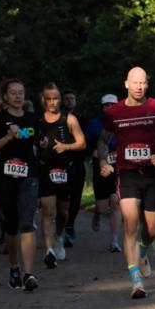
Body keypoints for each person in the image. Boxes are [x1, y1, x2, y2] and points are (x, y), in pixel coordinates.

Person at [98, 68, 155, 297]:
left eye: (143, 83)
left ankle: (143, 250)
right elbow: (102, 141)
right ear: (126, 84)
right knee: (131, 223)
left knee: (152, 229)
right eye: (135, 83)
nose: (140, 87)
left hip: (152, 174)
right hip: (127, 174)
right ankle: (136, 281)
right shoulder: (114, 112)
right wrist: (103, 159)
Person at [0, 78, 41, 291]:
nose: (18, 96)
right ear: (6, 97)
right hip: (6, 178)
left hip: (29, 176)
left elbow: (39, 142)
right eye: (14, 93)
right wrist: (8, 137)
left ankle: (29, 274)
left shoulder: (32, 118)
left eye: (21, 92)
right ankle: (14, 267)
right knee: (11, 226)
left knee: (27, 223)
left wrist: (42, 143)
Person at [37, 82, 86, 267]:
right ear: (43, 100)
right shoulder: (37, 120)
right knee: (48, 209)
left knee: (63, 212)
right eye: (48, 98)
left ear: (59, 99)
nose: (52, 102)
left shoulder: (70, 119)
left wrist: (66, 146)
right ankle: (49, 250)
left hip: (66, 170)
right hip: (45, 169)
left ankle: (58, 236)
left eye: (55, 98)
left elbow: (82, 143)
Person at [86, 94, 123, 252]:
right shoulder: (94, 124)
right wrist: (93, 151)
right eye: (106, 105)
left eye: (112, 105)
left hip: (119, 165)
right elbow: (86, 143)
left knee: (115, 201)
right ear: (102, 107)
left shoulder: (122, 121)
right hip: (101, 165)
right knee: (102, 207)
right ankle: (96, 213)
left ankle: (115, 240)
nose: (110, 108)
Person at [61, 89, 86, 245]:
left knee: (76, 198)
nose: (69, 101)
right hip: (61, 164)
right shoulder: (58, 119)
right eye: (67, 98)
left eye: (72, 98)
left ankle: (70, 224)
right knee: (63, 199)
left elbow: (87, 142)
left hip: (78, 164)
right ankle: (61, 230)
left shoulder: (82, 119)